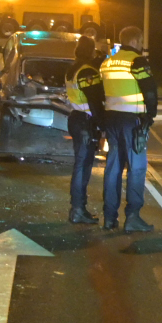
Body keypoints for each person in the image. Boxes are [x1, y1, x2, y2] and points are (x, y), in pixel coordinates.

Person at [97, 26, 156, 232]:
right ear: (136, 41)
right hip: (132, 121)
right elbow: (149, 90)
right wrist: (151, 115)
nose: (141, 46)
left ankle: (109, 217)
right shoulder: (137, 61)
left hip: (111, 118)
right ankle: (133, 217)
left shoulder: (107, 62)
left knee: (113, 167)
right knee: (136, 168)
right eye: (141, 42)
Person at [66, 35, 104, 225]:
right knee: (83, 166)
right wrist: (103, 125)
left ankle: (78, 208)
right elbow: (96, 101)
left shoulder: (74, 68)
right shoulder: (87, 72)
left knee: (81, 164)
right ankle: (78, 209)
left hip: (76, 118)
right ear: (90, 51)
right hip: (86, 122)